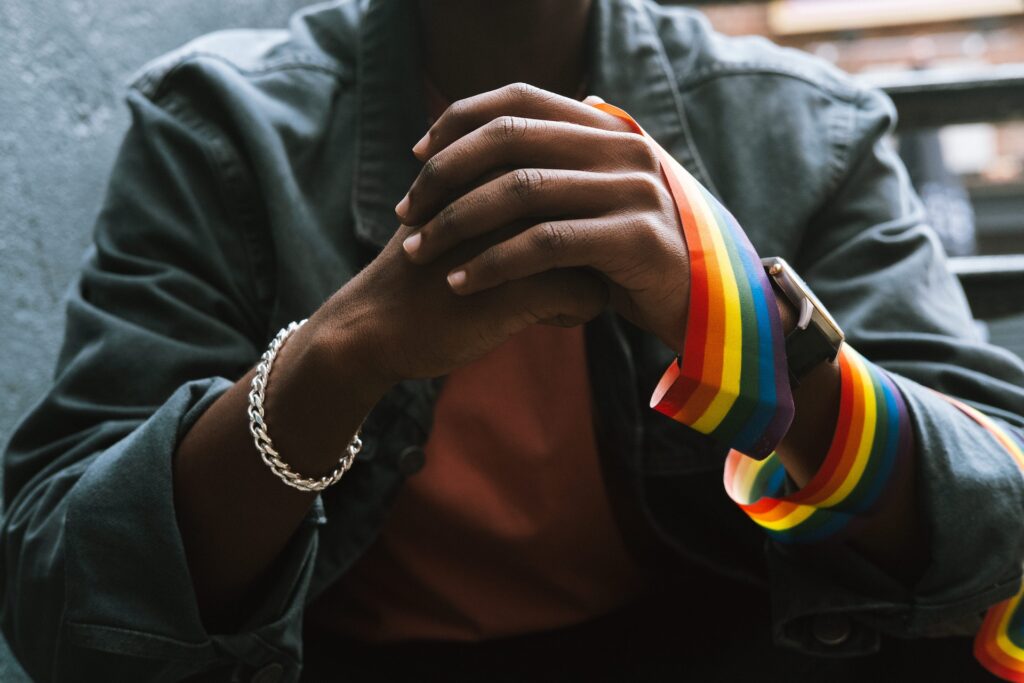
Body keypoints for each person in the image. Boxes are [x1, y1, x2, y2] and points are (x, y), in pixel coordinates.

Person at [3, 0, 1024, 681]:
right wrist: (337, 352)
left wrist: (732, 314)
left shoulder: (807, 126)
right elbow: (66, 600)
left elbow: (1003, 520)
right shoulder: (217, 124)